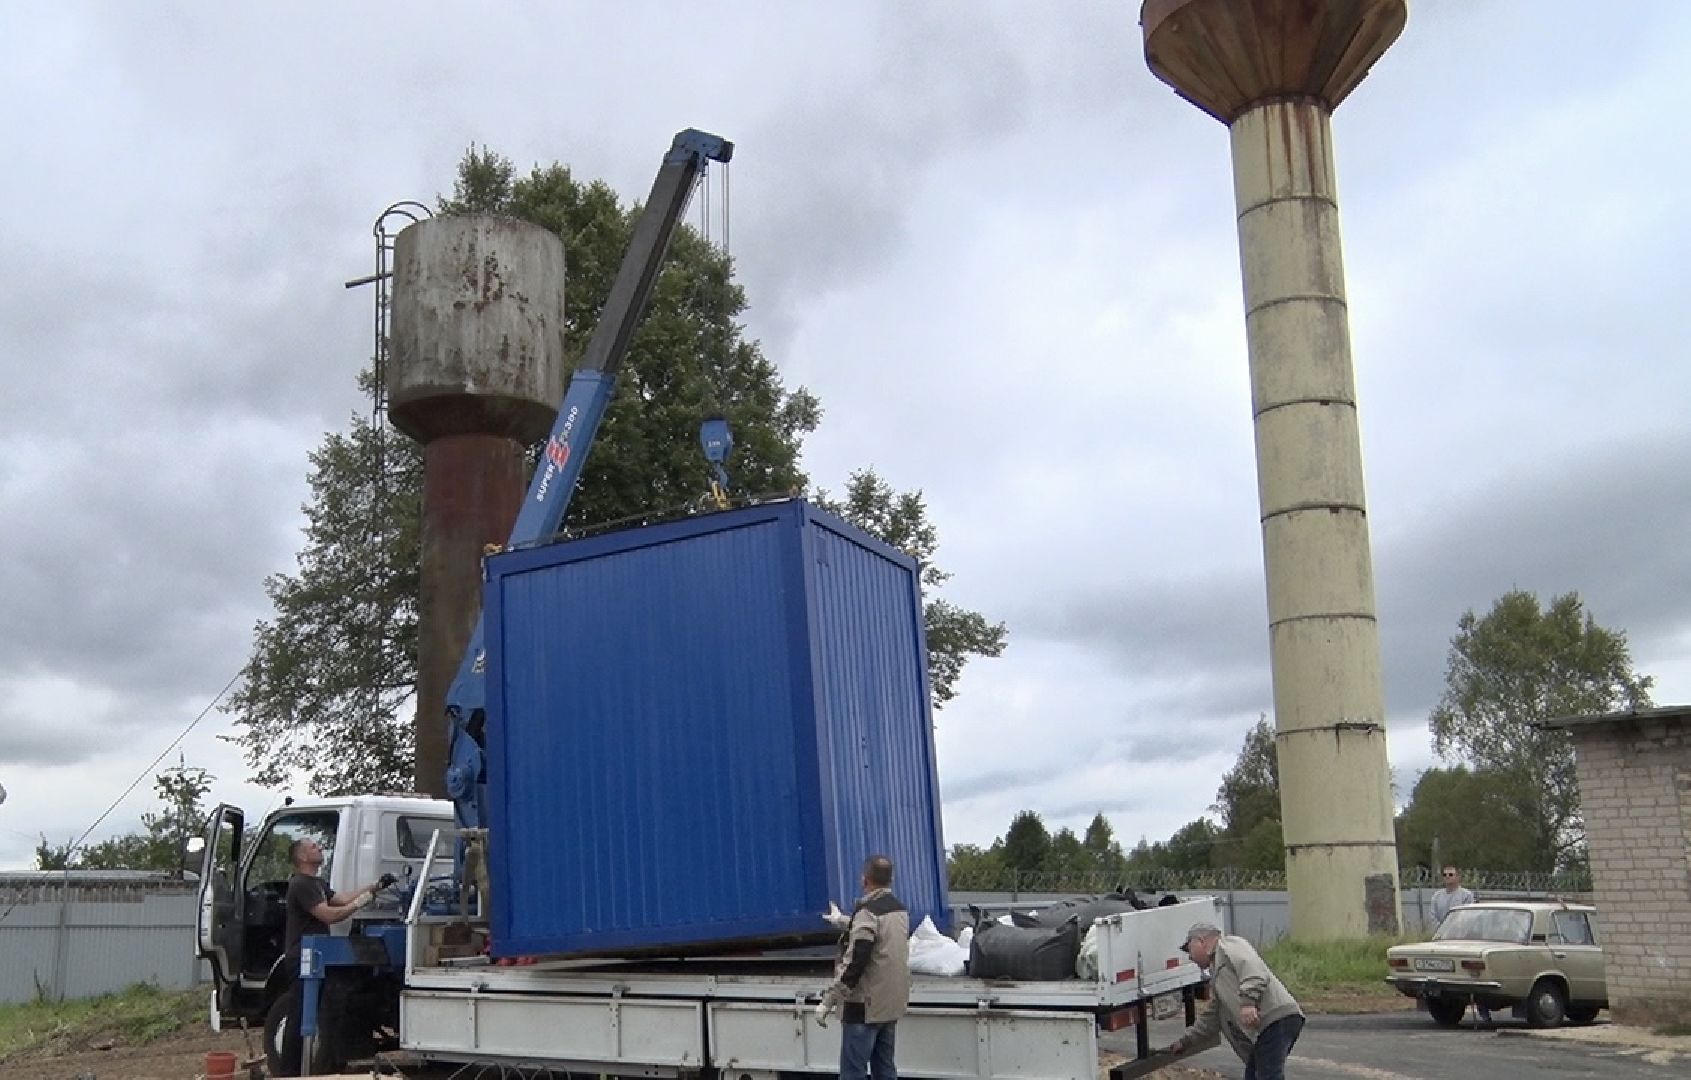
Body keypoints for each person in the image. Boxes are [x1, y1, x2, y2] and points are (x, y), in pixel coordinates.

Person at [1164, 921, 1305, 1080]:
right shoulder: (1218, 974)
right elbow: (1212, 1016)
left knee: (1267, 1075)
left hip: (1277, 1019)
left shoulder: (1229, 945)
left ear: (1201, 941)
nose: (1189, 956)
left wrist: (1248, 1002)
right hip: (1272, 1024)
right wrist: (1186, 1041)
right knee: (1254, 1074)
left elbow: (1254, 970)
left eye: (1189, 948)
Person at [815, 855, 911, 1080]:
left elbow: (857, 961)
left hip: (863, 1007)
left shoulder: (868, 912)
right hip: (890, 1006)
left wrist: (829, 1000)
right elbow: (877, 933)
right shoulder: (899, 910)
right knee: (885, 1070)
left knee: (853, 1073)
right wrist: (842, 920)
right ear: (892, 879)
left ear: (864, 880)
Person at [283, 838, 392, 964]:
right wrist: (360, 902)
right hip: (302, 957)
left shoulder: (318, 883)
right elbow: (330, 915)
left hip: (317, 953)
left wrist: (376, 886)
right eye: (313, 847)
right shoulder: (300, 884)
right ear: (303, 857)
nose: (320, 848)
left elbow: (342, 899)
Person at [1429, 865, 1489, 1024]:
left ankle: (1484, 1010)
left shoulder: (1466, 895)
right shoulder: (1437, 897)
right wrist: (1442, 933)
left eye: (1451, 874)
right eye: (1445, 875)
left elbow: (1469, 915)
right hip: (1443, 939)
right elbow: (1433, 917)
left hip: (1465, 939)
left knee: (1473, 976)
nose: (1448, 877)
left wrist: (1459, 932)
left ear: (1458, 877)